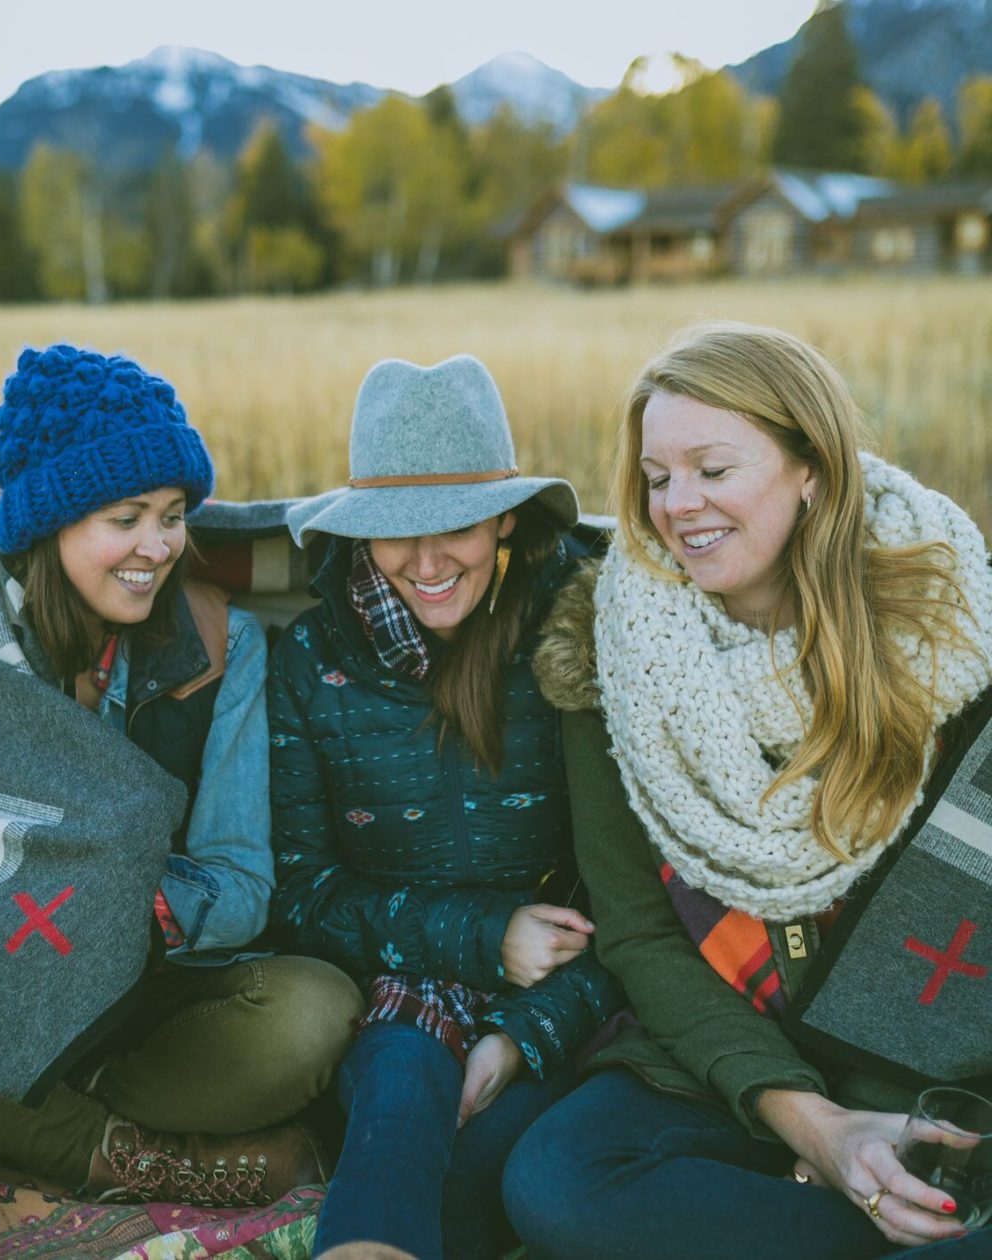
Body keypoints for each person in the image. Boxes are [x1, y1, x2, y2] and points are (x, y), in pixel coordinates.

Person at [0, 344, 362, 1209]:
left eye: (172, 515)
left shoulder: (223, 646)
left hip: (147, 996)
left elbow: (242, 883)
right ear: (50, 525)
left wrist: (103, 913)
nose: (157, 547)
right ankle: (111, 1153)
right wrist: (19, 933)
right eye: (124, 517)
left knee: (311, 1013)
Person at [504, 321, 992, 1259]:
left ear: (811, 468)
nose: (677, 505)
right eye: (655, 478)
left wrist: (887, 1115)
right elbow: (642, 933)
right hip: (736, 1052)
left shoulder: (945, 626)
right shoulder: (612, 661)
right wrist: (814, 1126)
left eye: (713, 470)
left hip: (927, 1053)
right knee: (558, 1182)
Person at [267, 354, 623, 1260]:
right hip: (394, 990)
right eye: (392, 532)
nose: (425, 563)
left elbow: (637, 896)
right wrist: (482, 933)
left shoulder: (583, 630)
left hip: (572, 997)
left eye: (456, 524)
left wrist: (523, 1031)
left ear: (505, 515)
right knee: (398, 1092)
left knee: (482, 1189)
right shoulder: (313, 660)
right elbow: (303, 892)